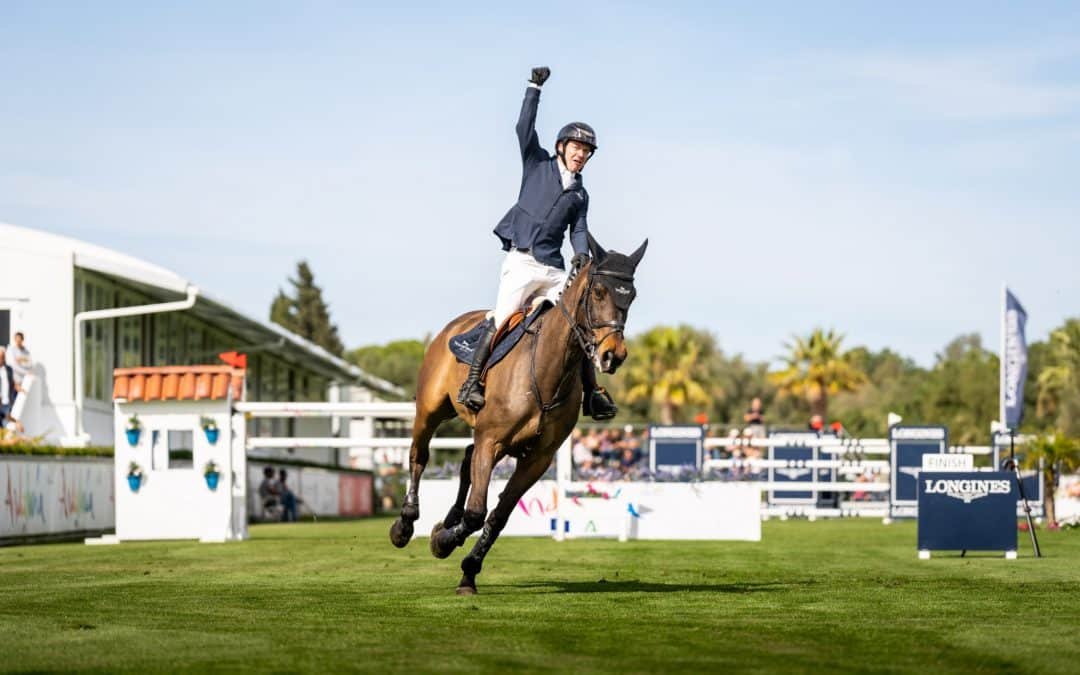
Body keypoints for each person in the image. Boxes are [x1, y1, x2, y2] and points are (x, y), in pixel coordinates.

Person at [457, 66, 617, 421]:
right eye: (577, 147)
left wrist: (580, 256)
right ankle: (472, 382)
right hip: (524, 263)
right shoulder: (536, 163)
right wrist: (534, 89)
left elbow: (579, 229)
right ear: (562, 146)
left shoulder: (580, 194)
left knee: (580, 324)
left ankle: (593, 394)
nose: (581, 154)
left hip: (554, 269)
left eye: (587, 151)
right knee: (500, 319)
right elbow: (522, 128)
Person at [0, 348, 23, 432]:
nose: (1, 359)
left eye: (2, 357)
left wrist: (18, 387)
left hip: (7, 401)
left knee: (5, 419)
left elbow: (12, 382)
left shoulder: (9, 369)